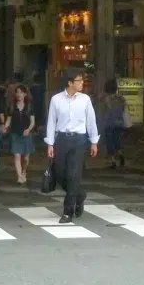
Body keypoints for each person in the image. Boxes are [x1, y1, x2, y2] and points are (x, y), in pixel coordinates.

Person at [45, 68, 99, 224]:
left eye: (82, 80)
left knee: (73, 175)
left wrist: (94, 141)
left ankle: (67, 212)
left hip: (79, 140)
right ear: (70, 83)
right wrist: (50, 143)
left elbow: (91, 120)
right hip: (62, 139)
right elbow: (51, 121)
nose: (82, 83)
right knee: (60, 174)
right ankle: (79, 195)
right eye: (79, 80)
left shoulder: (85, 100)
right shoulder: (56, 100)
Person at [3, 83, 36, 184]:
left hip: (26, 134)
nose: (19, 95)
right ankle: (19, 177)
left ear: (25, 94)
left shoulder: (29, 107)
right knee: (17, 156)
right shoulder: (12, 107)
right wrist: (5, 126)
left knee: (25, 158)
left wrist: (28, 129)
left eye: (21, 93)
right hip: (15, 134)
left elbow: (33, 122)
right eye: (17, 92)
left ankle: (24, 171)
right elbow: (8, 120)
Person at [100, 79, 128, 169]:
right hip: (120, 123)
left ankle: (113, 162)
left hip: (109, 123)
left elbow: (105, 110)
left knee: (109, 143)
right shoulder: (121, 98)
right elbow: (124, 109)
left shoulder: (106, 99)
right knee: (117, 140)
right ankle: (120, 154)